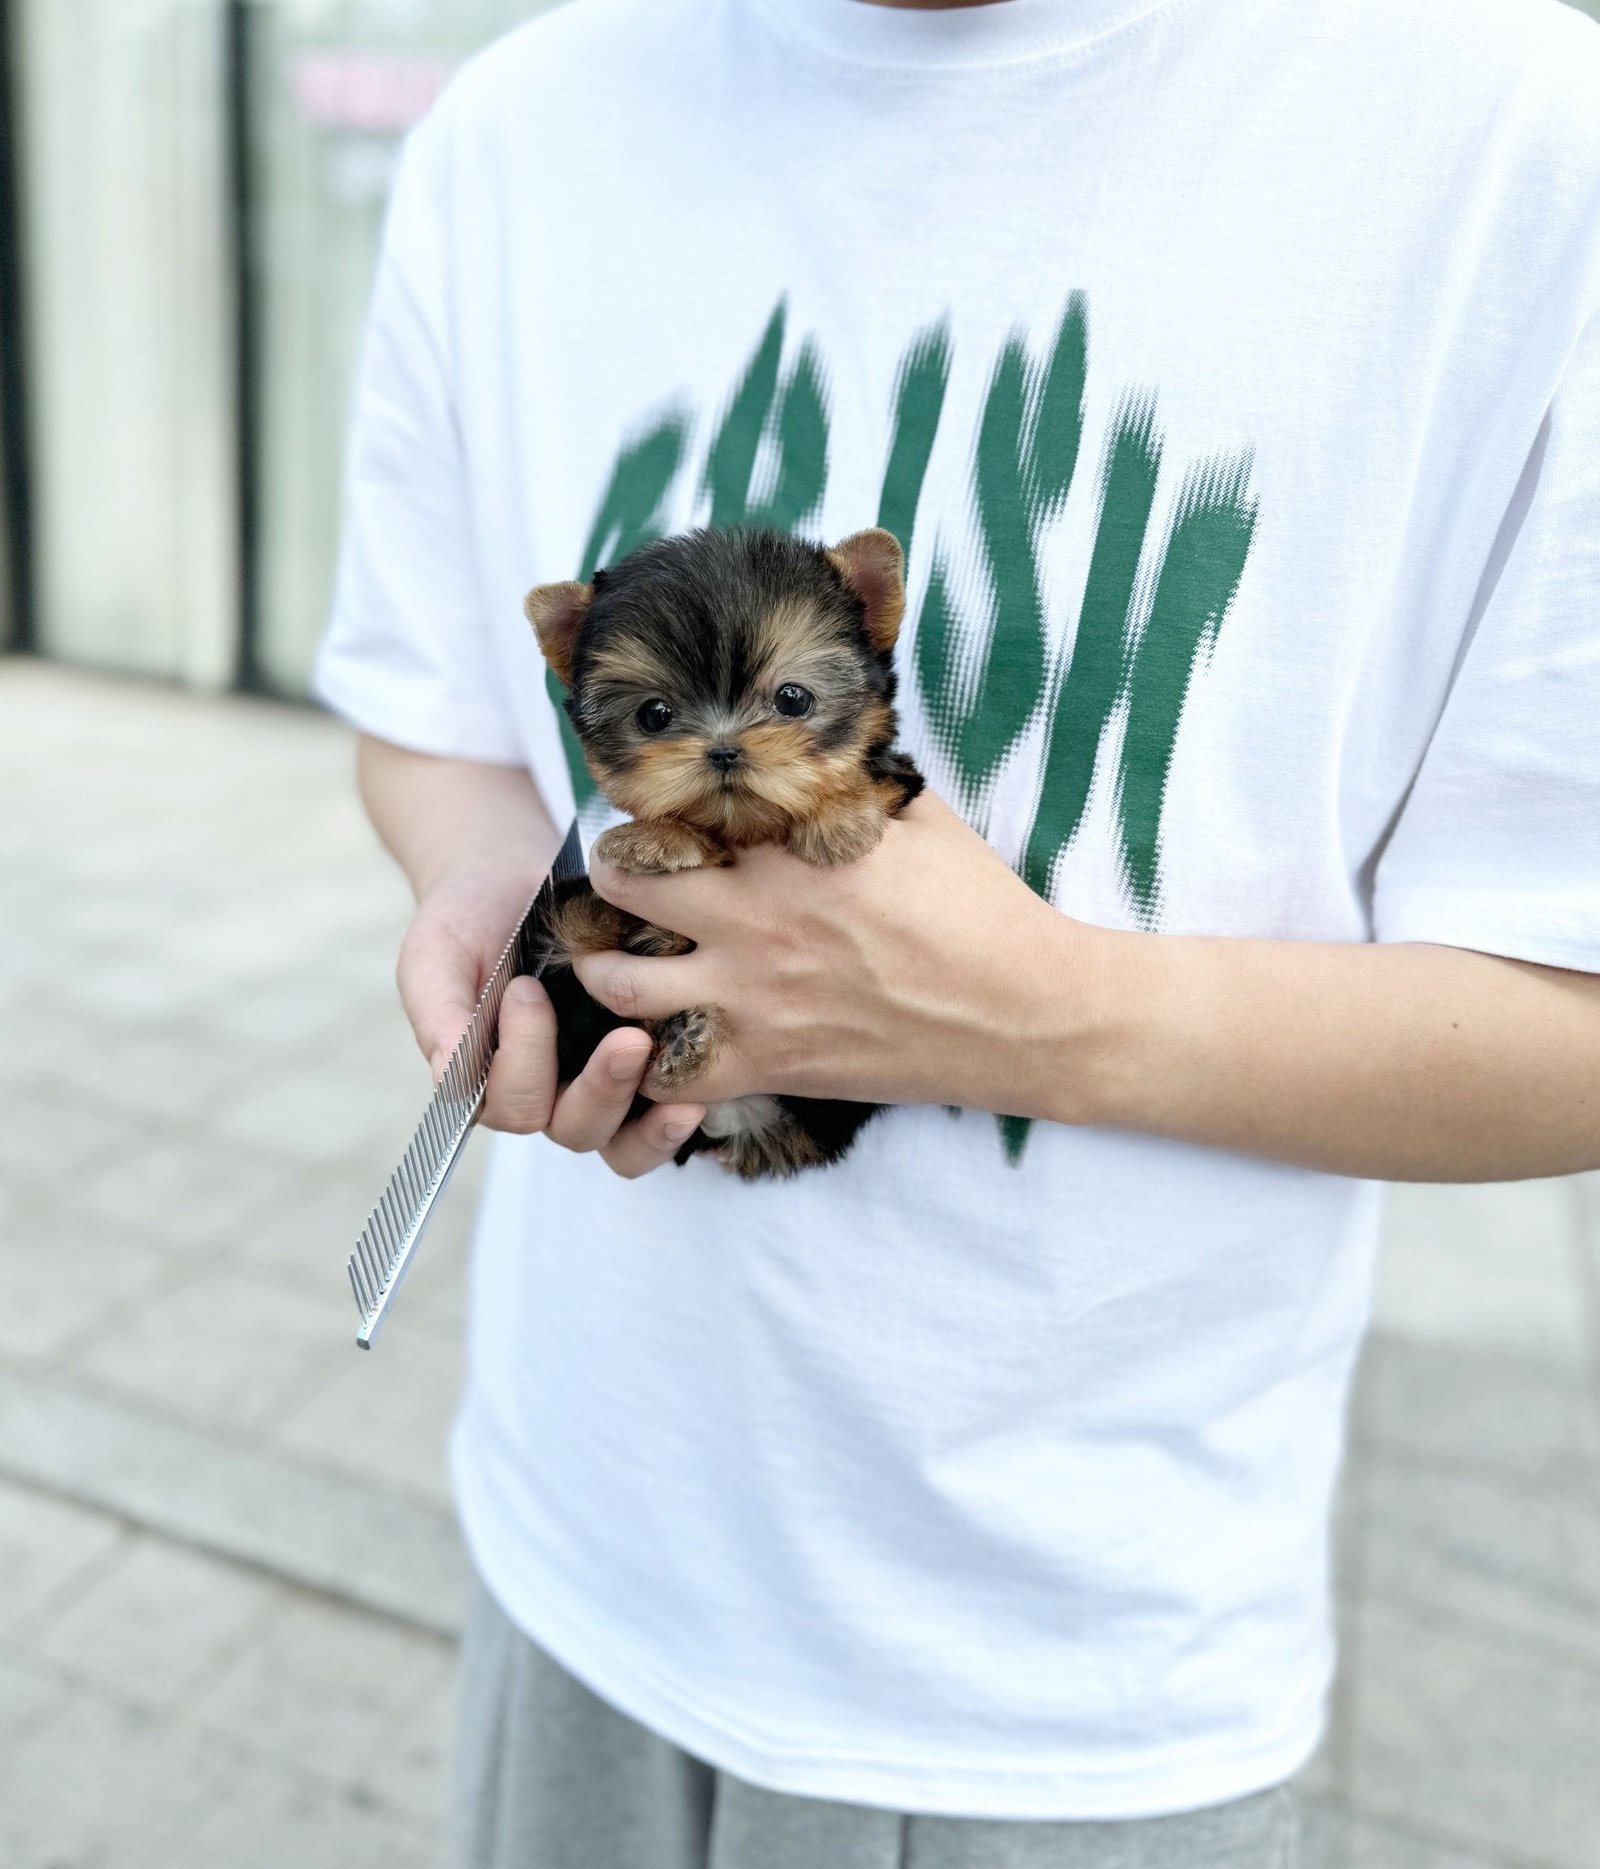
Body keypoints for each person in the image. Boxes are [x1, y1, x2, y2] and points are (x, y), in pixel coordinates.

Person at [315, 0, 1600, 1861]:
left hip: (1077, 1682)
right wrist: (479, 885)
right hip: (577, 1525)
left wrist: (1028, 1012)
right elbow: (431, 716)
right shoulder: (516, 121)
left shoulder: (1521, 136)